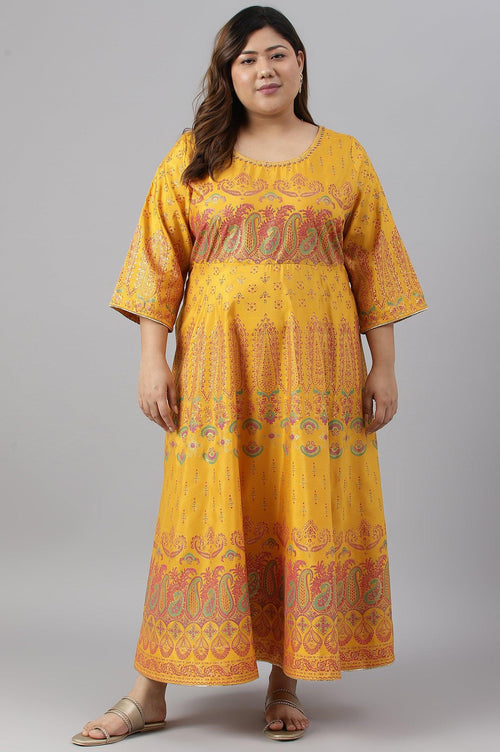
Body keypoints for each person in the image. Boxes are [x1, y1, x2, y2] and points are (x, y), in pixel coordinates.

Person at [72, 5, 427, 746]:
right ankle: (149, 693)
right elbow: (157, 264)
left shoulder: (346, 157)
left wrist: (385, 366)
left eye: (276, 54)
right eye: (246, 59)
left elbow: (377, 265)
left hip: (318, 373)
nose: (264, 70)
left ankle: (286, 682)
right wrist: (151, 360)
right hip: (215, 370)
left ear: (300, 62)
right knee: (199, 514)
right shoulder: (195, 155)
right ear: (228, 75)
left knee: (304, 506)